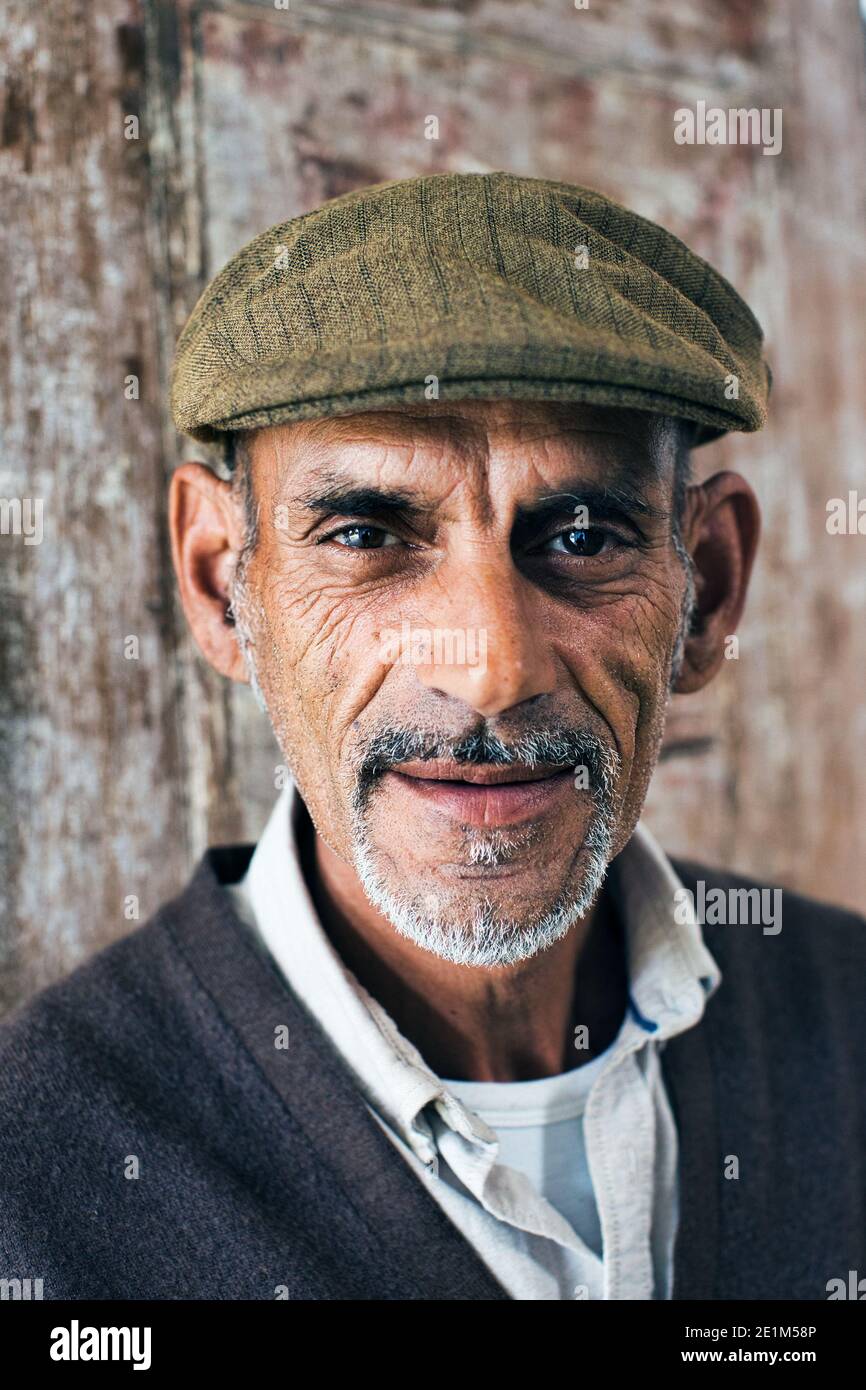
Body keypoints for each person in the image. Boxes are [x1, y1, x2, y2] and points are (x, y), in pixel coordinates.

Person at [1, 172, 863, 1301]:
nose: (491, 667)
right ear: (223, 589)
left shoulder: (845, 1013)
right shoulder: (36, 1174)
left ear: (703, 591)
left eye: (581, 534)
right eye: (365, 534)